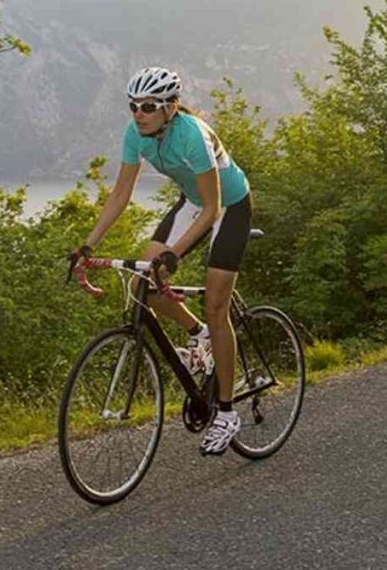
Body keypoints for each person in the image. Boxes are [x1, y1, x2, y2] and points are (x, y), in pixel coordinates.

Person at [72, 66, 253, 455]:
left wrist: (174, 253)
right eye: (134, 105)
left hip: (229, 207)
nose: (139, 112)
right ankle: (198, 334)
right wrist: (87, 245)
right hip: (193, 203)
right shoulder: (136, 135)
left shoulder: (192, 135)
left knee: (217, 306)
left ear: (170, 107)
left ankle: (226, 411)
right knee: (143, 287)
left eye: (149, 106)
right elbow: (120, 194)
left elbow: (213, 207)